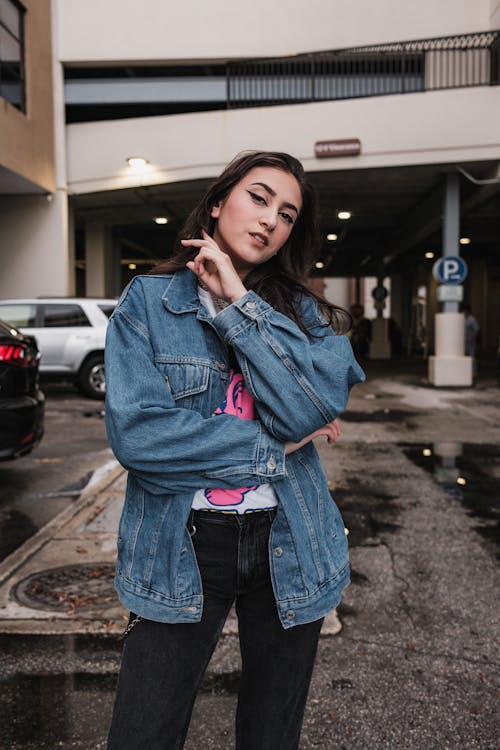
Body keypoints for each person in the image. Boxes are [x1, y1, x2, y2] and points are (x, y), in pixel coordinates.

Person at [104, 151, 365, 750]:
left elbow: (314, 407)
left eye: (288, 214)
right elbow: (140, 437)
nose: (271, 219)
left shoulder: (301, 313)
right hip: (183, 543)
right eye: (259, 197)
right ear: (218, 203)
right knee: (142, 733)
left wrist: (240, 305)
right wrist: (276, 447)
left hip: (291, 542)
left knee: (271, 736)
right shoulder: (148, 302)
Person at [463, 303, 479, 376]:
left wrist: (474, 339)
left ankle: (473, 372)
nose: (464, 312)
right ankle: (465, 372)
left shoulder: (472, 319)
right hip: (463, 341)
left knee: (472, 357)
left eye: (465, 311)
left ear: (468, 311)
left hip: (470, 341)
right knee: (464, 357)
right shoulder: (462, 318)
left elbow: (476, 330)